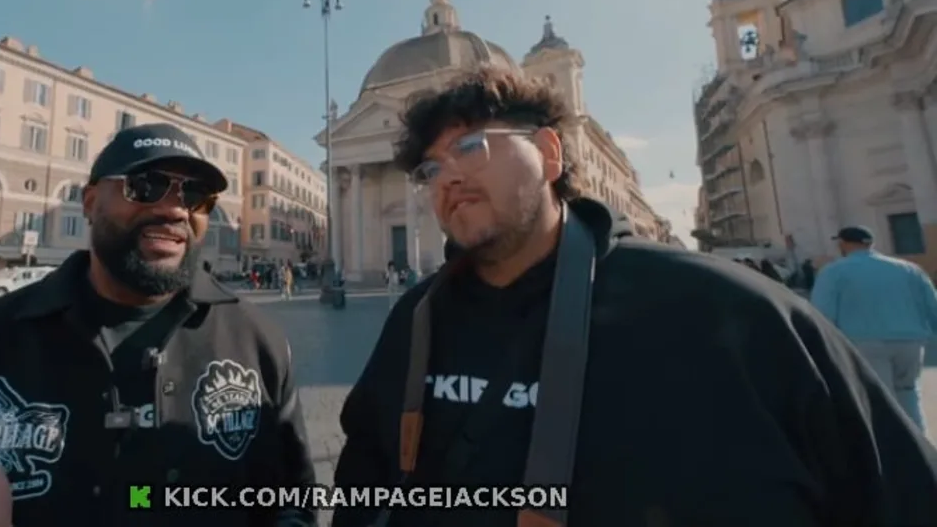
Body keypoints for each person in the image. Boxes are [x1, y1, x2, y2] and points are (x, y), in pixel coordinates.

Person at [331, 66, 937, 527]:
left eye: (470, 147)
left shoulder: (728, 311)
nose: (449, 178)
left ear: (548, 153)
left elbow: (896, 493)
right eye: (430, 169)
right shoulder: (416, 320)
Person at [0, 123, 315, 527]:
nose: (174, 209)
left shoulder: (260, 344)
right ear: (88, 202)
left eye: (196, 194)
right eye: (144, 186)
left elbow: (294, 505)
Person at [812, 225, 937, 433]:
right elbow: (932, 305)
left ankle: (889, 455)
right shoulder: (909, 269)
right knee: (908, 394)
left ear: (843, 244)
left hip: (863, 343)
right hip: (910, 342)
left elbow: (822, 314)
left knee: (878, 400)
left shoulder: (834, 272)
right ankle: (920, 448)